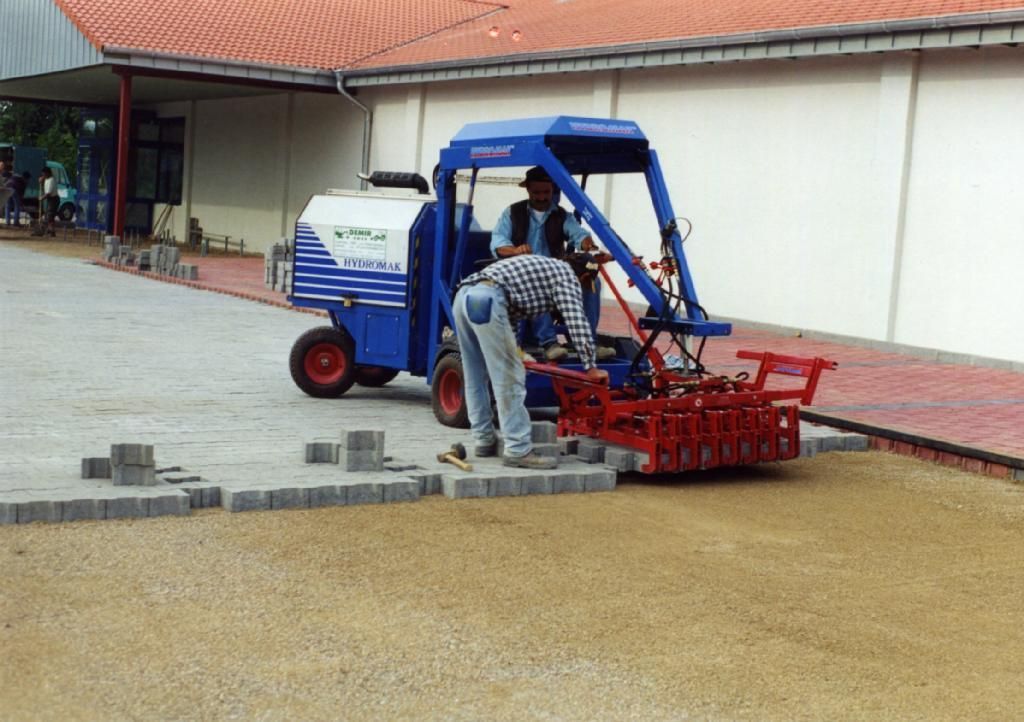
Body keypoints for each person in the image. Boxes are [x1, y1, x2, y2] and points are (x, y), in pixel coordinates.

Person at [453, 254, 610, 469]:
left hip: (464, 297)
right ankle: (517, 449)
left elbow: (510, 318)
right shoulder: (567, 276)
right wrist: (591, 366)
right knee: (509, 377)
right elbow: (576, 319)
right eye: (584, 285)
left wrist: (517, 353)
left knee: (475, 374)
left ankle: (484, 439)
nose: (582, 290)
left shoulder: (545, 268)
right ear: (583, 276)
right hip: (487, 298)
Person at [490, 166, 615, 362]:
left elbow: (578, 235)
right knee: (534, 283)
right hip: (522, 278)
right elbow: (498, 242)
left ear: (553, 191)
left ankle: (587, 342)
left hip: (557, 275)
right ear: (528, 190)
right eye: (536, 192)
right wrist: (514, 250)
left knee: (592, 282)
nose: (541, 197)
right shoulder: (512, 213)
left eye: (546, 192)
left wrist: (586, 243)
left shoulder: (562, 216)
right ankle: (549, 343)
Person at [35, 167, 58, 237]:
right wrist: (41, 183)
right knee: (48, 214)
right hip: (49, 199)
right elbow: (44, 189)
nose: (43, 175)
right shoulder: (46, 180)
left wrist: (42, 198)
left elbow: (49, 193)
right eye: (42, 174)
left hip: (54, 199)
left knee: (50, 215)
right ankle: (49, 230)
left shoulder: (52, 180)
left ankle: (52, 231)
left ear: (48, 173)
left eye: (44, 174)